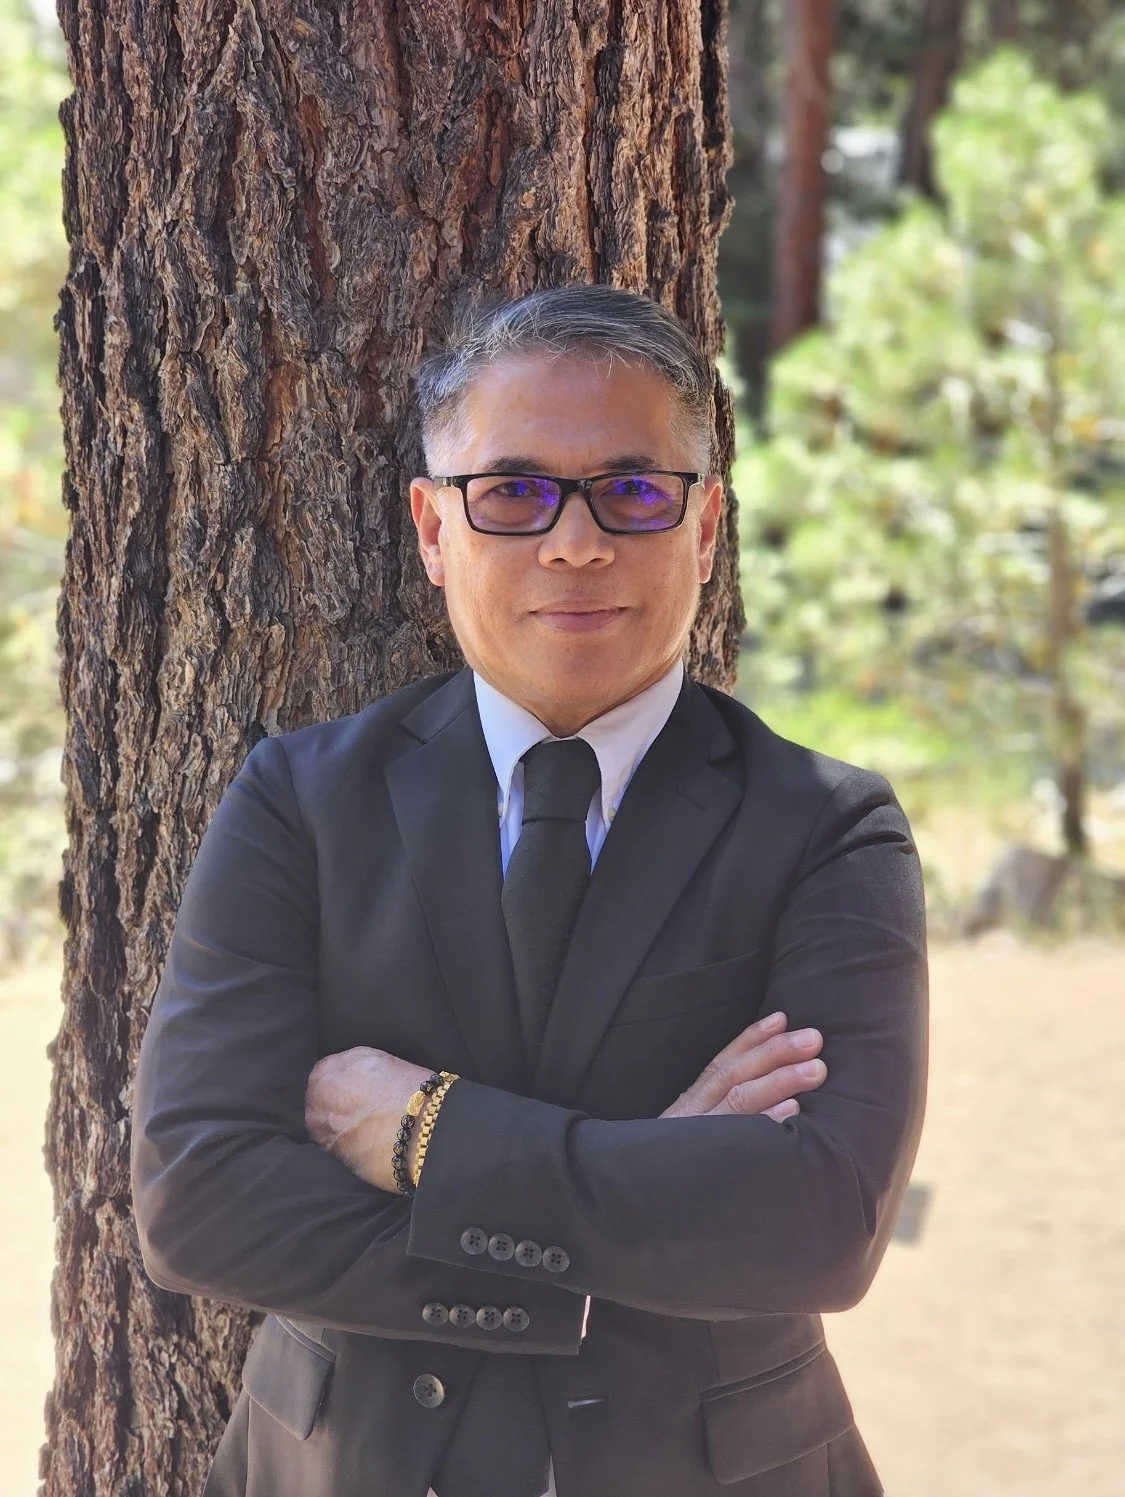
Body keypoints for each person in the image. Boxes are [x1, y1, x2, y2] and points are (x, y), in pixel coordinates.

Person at [130, 284, 928, 1497]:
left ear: (705, 527)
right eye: (512, 492)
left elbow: (822, 1225)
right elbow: (202, 1201)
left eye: (634, 491)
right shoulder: (302, 800)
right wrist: (640, 1194)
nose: (576, 543)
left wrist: (425, 1130)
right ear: (432, 528)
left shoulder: (827, 826)